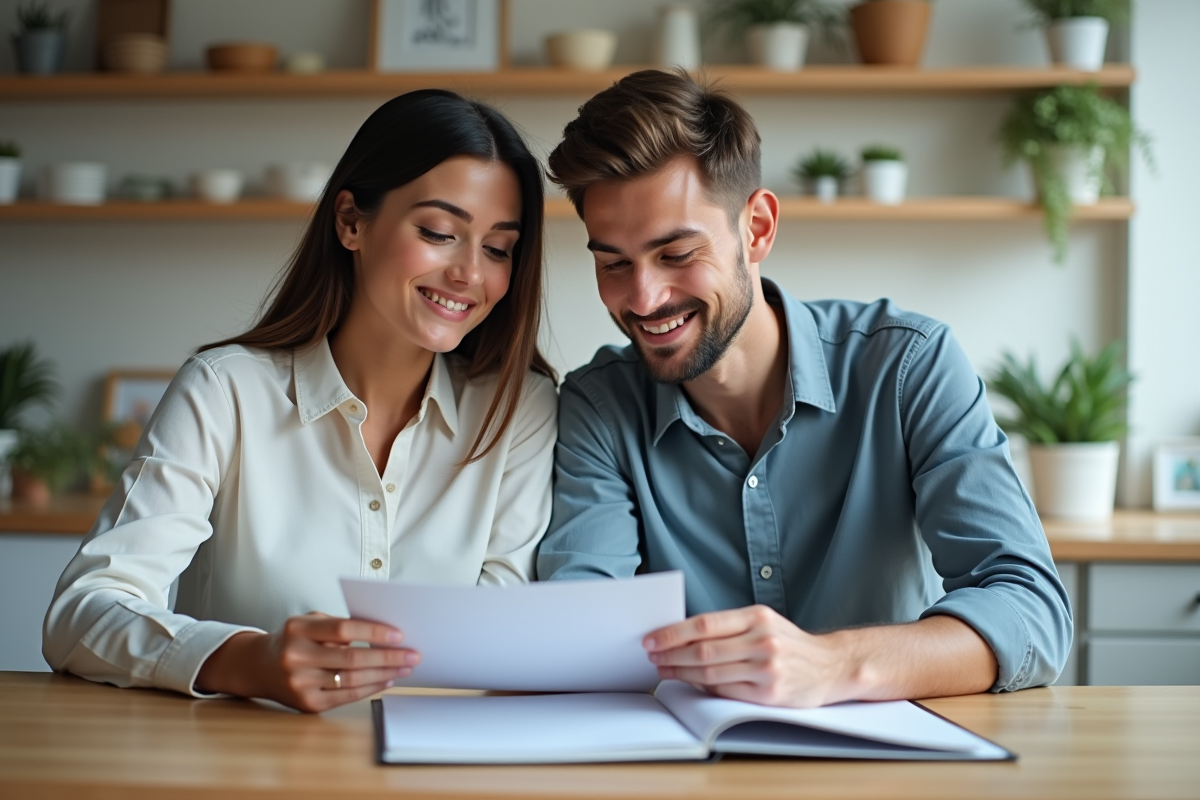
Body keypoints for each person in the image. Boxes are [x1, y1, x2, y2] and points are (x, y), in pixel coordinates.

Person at [537, 70, 1071, 708]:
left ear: (757, 228)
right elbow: (580, 632)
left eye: (676, 254)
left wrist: (833, 664)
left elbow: (1032, 611)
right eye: (614, 263)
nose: (644, 298)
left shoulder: (908, 367)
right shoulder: (599, 406)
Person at [44, 90, 558, 713]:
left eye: (499, 248)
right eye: (439, 232)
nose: (470, 274)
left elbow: (503, 636)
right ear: (351, 221)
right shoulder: (224, 391)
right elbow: (81, 613)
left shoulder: (519, 408)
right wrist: (247, 660)